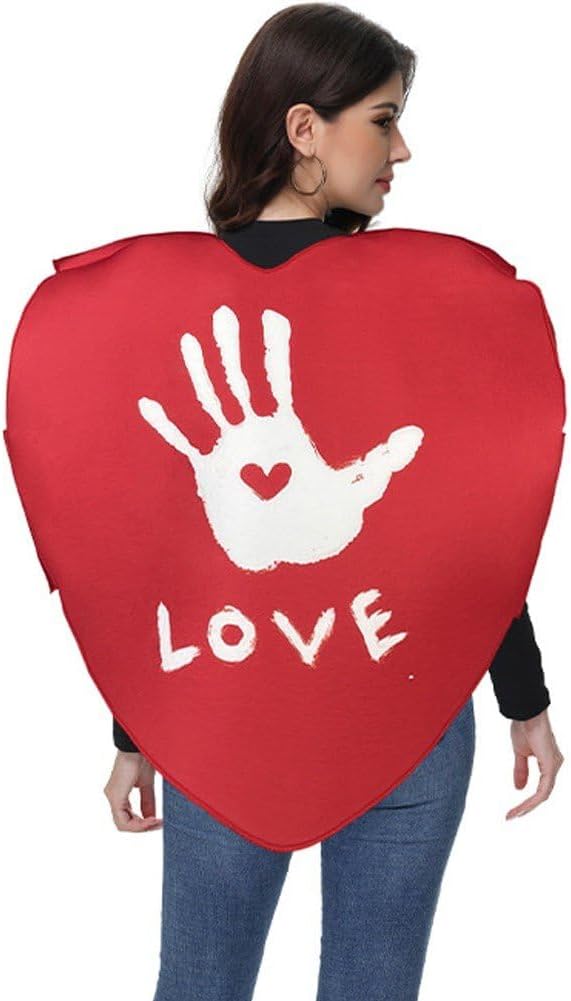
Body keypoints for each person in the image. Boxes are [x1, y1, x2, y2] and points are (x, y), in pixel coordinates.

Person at [100, 6, 564, 999]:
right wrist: (522, 699)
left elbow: (141, 542)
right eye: (383, 120)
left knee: (199, 985)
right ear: (305, 129)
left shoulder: (163, 306)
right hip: (401, 697)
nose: (403, 149)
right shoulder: (423, 304)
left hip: (223, 706)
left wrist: (136, 731)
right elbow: (467, 518)